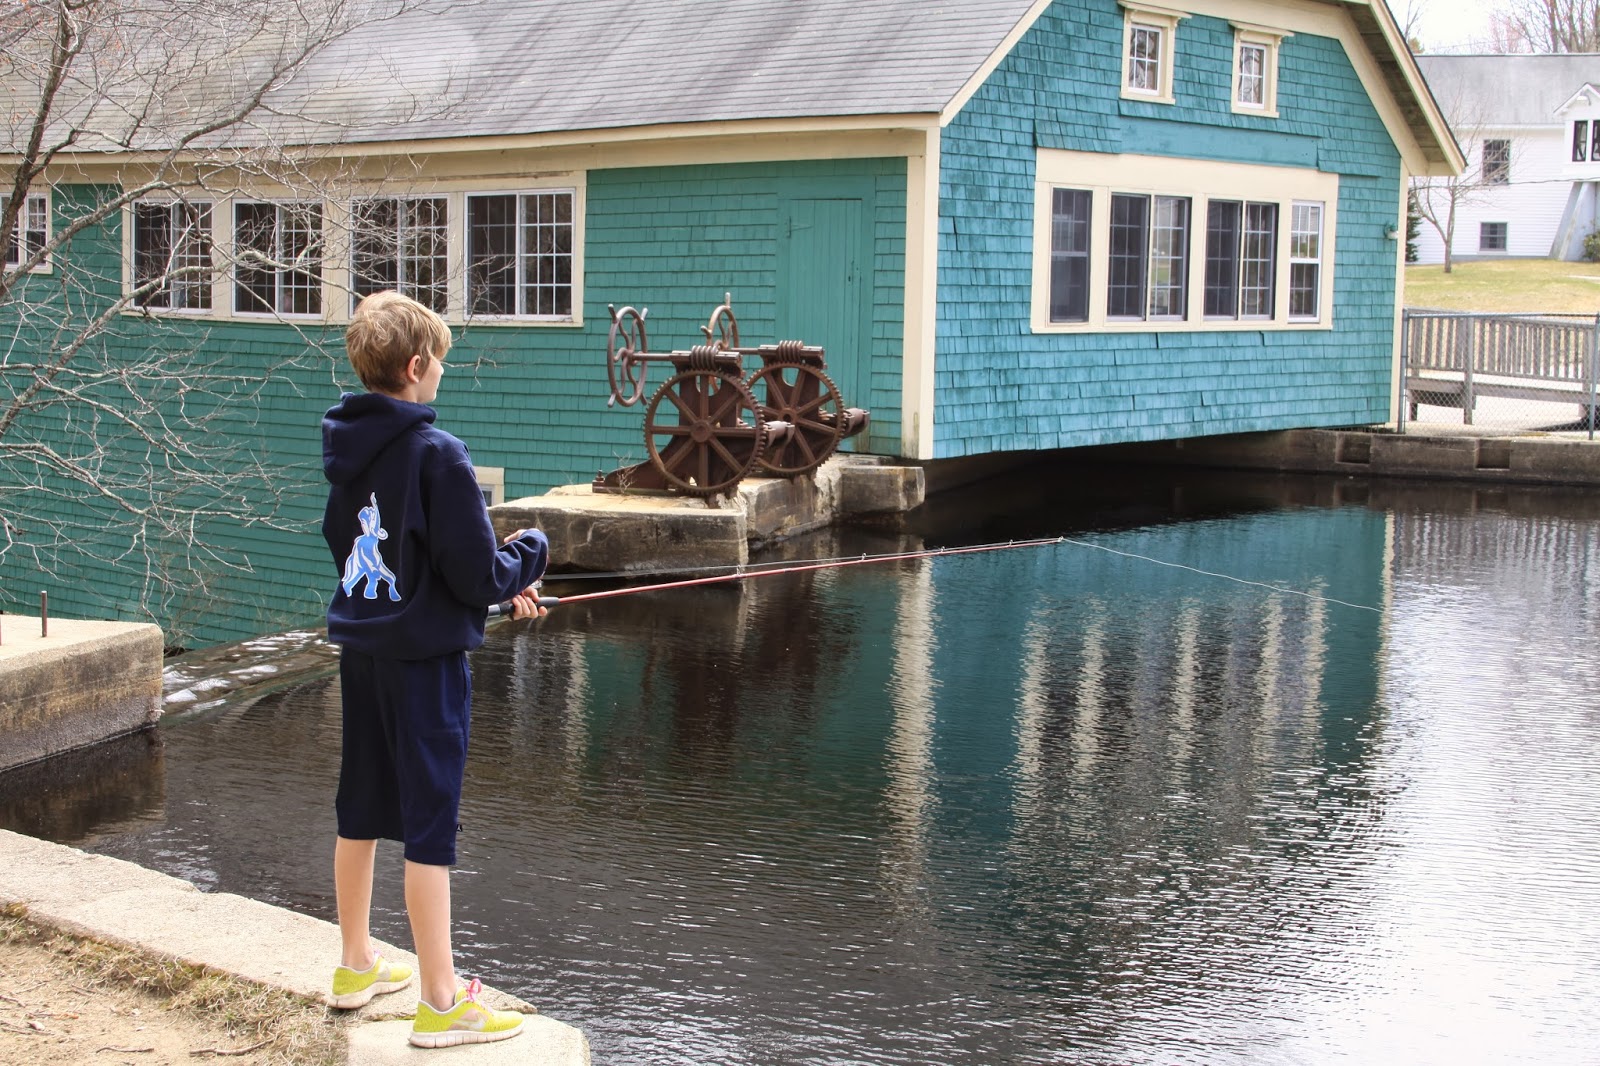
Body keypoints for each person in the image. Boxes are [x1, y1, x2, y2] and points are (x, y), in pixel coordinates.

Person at [320, 290, 550, 1049]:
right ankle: (442, 1004)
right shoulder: (438, 452)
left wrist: (489, 581)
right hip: (426, 669)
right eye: (440, 363)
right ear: (416, 367)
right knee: (429, 829)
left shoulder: (348, 449)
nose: (441, 376)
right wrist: (528, 554)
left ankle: (356, 965)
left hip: (365, 654)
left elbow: (365, 548)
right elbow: (475, 573)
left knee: (361, 809)